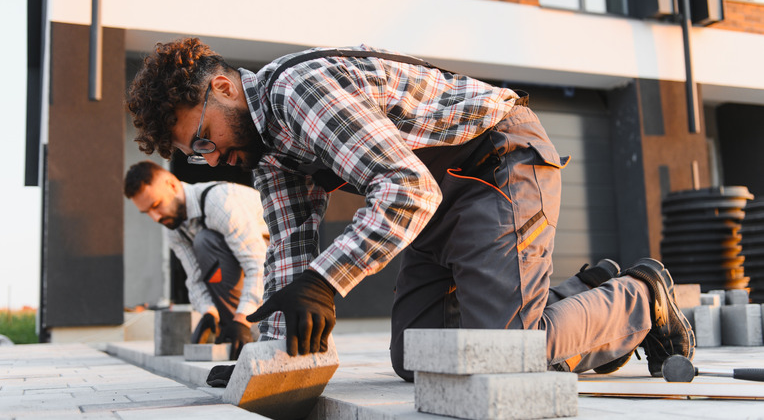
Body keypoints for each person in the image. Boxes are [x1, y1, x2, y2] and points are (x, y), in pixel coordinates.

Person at [125, 37, 694, 382]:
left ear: (223, 87)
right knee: (417, 358)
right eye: (197, 156)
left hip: (496, 164)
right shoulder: (269, 152)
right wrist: (270, 360)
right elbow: (291, 254)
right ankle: (583, 294)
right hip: (438, 200)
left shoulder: (299, 91)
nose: (212, 159)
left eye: (203, 139)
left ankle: (638, 296)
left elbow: (405, 188)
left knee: (499, 358)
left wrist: (326, 283)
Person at [124, 160, 268, 359]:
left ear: (172, 185)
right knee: (205, 246)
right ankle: (231, 331)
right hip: (248, 272)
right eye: (147, 212)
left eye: (156, 205)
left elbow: (258, 264)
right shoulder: (174, 228)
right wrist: (208, 312)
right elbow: (194, 278)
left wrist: (242, 319)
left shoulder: (220, 203)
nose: (155, 217)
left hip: (278, 266)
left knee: (205, 241)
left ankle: (248, 329)